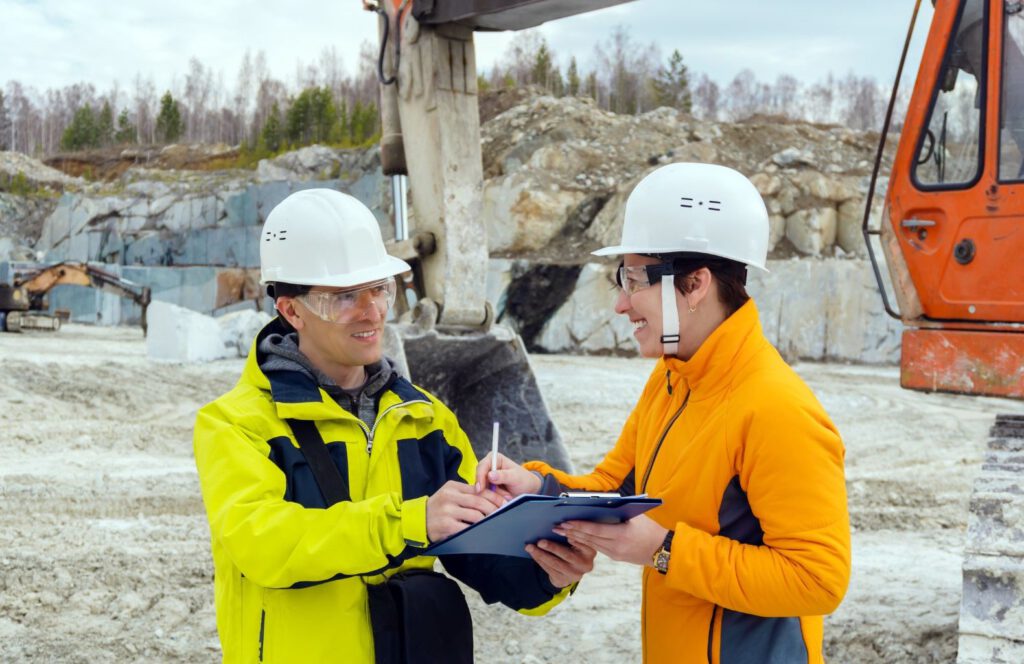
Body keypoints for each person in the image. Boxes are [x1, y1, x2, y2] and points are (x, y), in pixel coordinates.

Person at [193, 188, 594, 663]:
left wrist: (550, 571)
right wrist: (410, 521)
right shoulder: (235, 424)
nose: (372, 311)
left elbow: (478, 551)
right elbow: (266, 544)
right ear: (291, 309)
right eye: (343, 296)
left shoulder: (424, 420)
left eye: (380, 289)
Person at [477, 163, 852, 663]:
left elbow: (817, 580)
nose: (622, 304)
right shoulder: (674, 379)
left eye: (633, 279)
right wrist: (536, 488)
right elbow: (616, 487)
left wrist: (664, 550)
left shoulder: (777, 408)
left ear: (695, 284)